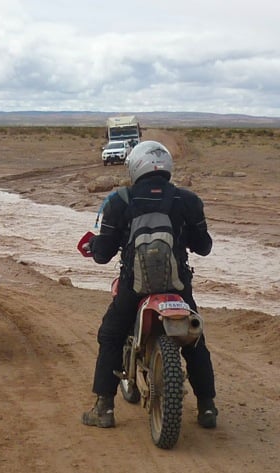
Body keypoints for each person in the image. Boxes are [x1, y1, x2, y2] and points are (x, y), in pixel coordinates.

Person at [81, 140, 218, 429]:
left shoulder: (120, 200)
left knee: (110, 335)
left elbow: (103, 255)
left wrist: (96, 244)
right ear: (167, 165)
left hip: (134, 287)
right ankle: (207, 407)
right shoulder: (188, 200)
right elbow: (204, 247)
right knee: (194, 341)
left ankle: (104, 408)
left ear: (135, 166)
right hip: (178, 287)